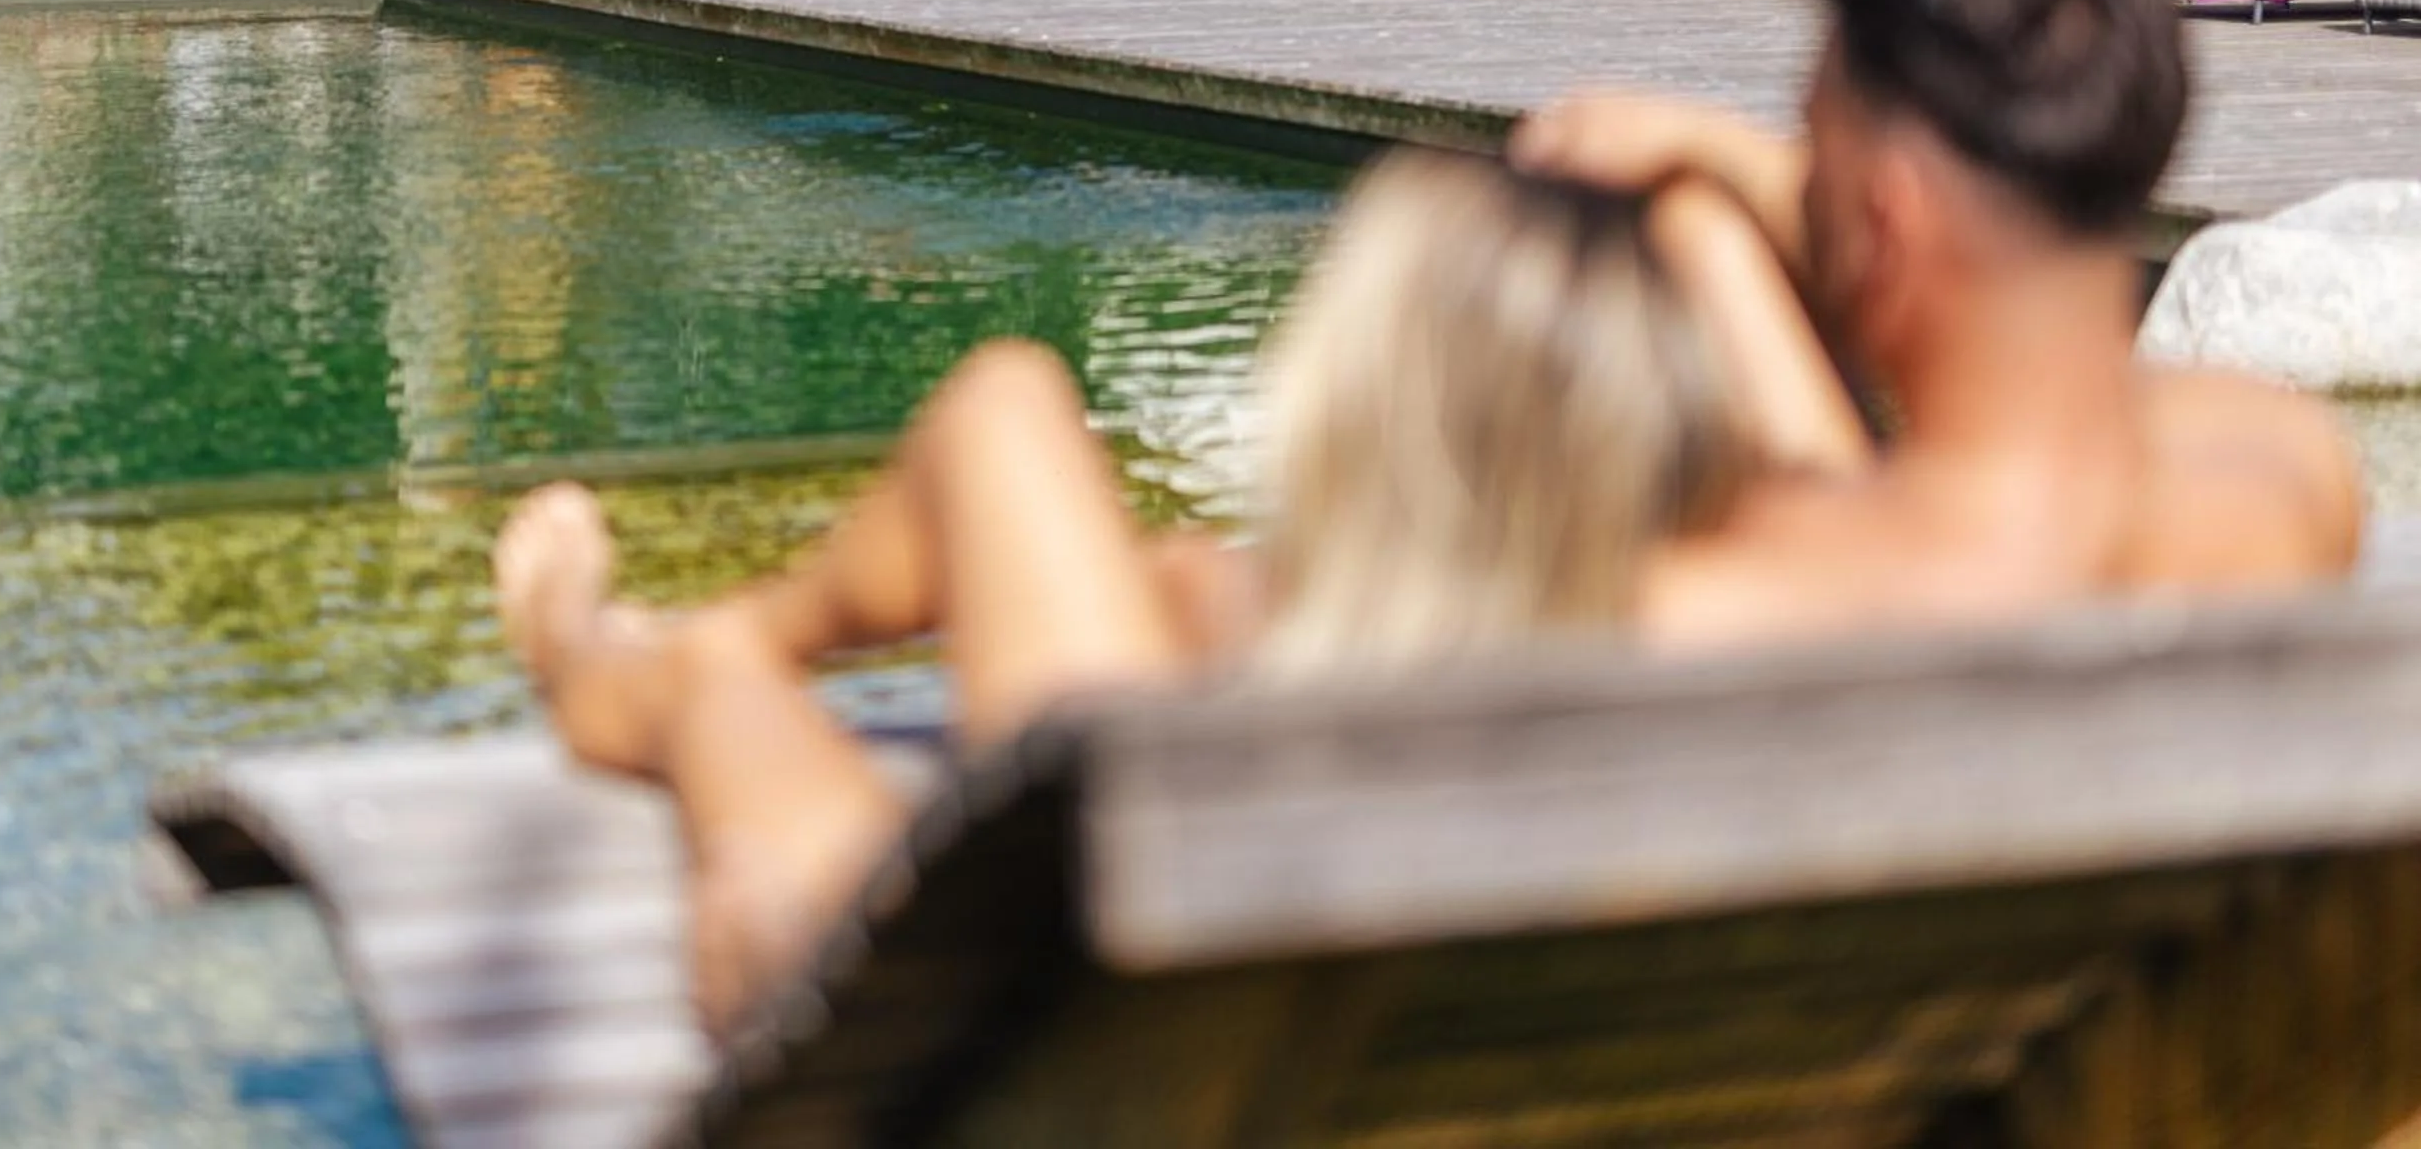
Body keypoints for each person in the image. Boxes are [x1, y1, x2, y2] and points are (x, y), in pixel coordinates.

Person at [495, 155, 1766, 1032]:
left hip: (1043, 1025)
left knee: (719, 679)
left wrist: (770, 926)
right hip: (1258, 1015)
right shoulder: (1728, 700)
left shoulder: (1278, 800)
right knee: (1090, 491)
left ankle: (588, 648)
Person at [1513, 0, 2362, 645]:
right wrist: (1722, 160)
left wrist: (1700, 219)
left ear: (1884, 223)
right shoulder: (2276, 471)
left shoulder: (1734, 594)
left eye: (1815, 154)